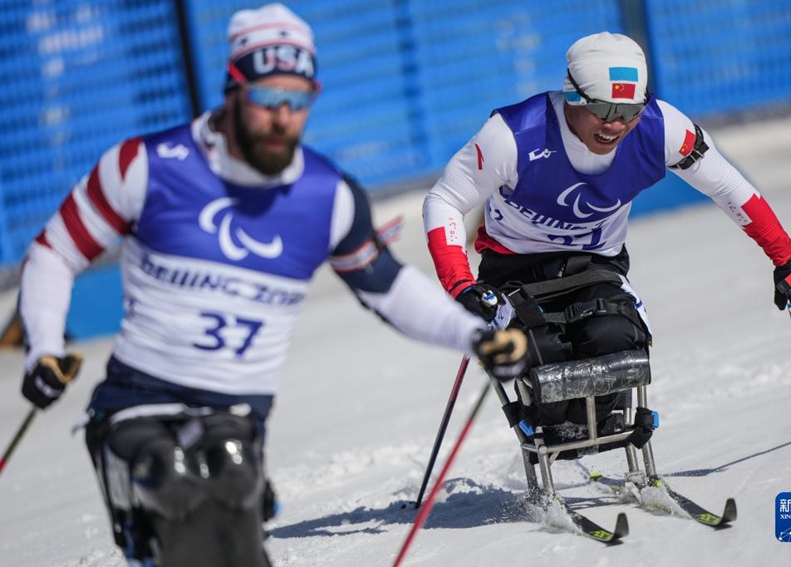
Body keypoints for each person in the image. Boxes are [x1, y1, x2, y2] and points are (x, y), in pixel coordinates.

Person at [17, 4, 526, 566]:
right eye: (266, 100)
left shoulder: (327, 196)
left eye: (298, 100)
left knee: (232, 488)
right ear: (233, 89)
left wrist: (473, 337)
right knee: (168, 479)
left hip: (233, 413)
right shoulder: (146, 166)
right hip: (139, 400)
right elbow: (54, 251)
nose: (283, 116)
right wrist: (43, 348)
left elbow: (387, 287)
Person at [423, 32, 791, 431]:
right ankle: (552, 427)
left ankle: (598, 421)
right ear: (573, 96)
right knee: (541, 357)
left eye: (630, 111)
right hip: (513, 272)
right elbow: (444, 201)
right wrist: (461, 285)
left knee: (613, 337)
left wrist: (788, 259)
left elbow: (730, 188)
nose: (617, 124)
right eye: (605, 109)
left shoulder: (661, 128)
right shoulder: (513, 135)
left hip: (595, 266)